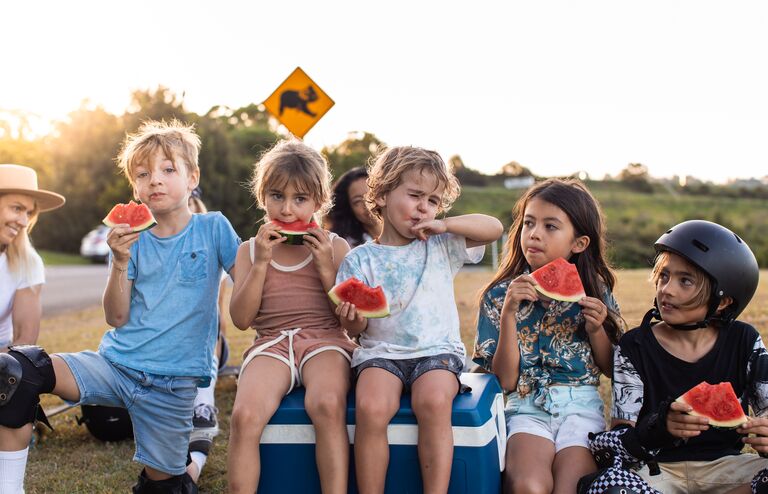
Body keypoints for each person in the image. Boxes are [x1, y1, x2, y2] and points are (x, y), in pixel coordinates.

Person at [0, 120, 240, 494]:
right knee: (16, 372)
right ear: (135, 188)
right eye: (143, 175)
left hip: (172, 388)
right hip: (115, 366)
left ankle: (195, 454)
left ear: (193, 178)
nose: (155, 180)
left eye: (168, 169)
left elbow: (246, 297)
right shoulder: (132, 240)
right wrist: (121, 259)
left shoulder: (214, 228)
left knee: (167, 489)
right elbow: (115, 317)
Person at [335, 145, 503, 493]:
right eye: (414, 195)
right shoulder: (360, 259)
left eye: (434, 200)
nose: (424, 207)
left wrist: (444, 224)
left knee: (433, 401)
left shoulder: (441, 244)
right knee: (370, 406)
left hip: (437, 351)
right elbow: (359, 329)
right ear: (380, 196)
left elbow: (494, 227)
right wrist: (352, 320)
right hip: (381, 353)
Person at [472, 177, 625, 493]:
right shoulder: (499, 296)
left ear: (579, 243)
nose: (535, 234)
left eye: (550, 226)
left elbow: (612, 369)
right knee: (529, 485)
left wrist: (596, 330)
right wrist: (509, 314)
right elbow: (503, 382)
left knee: (572, 486)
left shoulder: (596, 290)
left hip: (581, 409)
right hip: (525, 407)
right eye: (529, 223)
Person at [227, 139, 358, 494]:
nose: (286, 210)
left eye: (300, 199)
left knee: (327, 404)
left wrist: (325, 267)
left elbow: (347, 320)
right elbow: (241, 319)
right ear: (262, 197)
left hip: (326, 339)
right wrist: (261, 264)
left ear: (319, 201)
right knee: (244, 416)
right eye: (276, 196)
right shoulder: (249, 250)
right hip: (271, 342)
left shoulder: (338, 246)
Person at [606, 220, 768, 493]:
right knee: (608, 486)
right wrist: (659, 427)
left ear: (724, 300)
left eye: (686, 281)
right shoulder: (635, 345)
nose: (667, 290)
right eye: (664, 276)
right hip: (658, 470)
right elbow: (616, 446)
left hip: (729, 467)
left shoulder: (745, 341)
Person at [0, 164, 64, 494]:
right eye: (15, 208)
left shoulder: (26, 261)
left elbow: (25, 339)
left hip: (1, 363)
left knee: (18, 367)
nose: (23, 221)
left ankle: (10, 488)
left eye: (28, 212)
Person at [184, 187, 231, 484]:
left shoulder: (213, 249)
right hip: (168, 346)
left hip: (210, 344)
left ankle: (205, 401)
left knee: (207, 326)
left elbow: (220, 319)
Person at [325, 166, 381, 247]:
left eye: (371, 195)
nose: (367, 204)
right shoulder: (346, 247)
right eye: (358, 201)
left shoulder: (404, 233)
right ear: (349, 208)